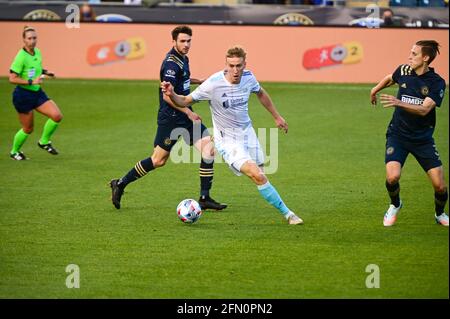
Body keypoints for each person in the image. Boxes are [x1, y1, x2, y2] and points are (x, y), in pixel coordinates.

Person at [161, 46, 303, 225]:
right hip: (227, 140)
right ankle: (289, 214)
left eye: (239, 66)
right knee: (257, 175)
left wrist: (276, 116)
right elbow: (185, 100)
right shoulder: (213, 84)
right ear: (225, 64)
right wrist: (172, 93)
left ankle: (276, 200)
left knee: (262, 173)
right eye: (231, 66)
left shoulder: (249, 77)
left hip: (248, 133)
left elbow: (260, 92)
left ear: (245, 64)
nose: (235, 70)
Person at [110, 26, 227, 211]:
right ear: (173, 42)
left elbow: (184, 80)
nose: (186, 44)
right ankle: (120, 183)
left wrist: (201, 81)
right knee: (158, 161)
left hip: (185, 115)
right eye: (182, 41)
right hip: (172, 118)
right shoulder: (171, 64)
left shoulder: (183, 59)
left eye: (189, 41)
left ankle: (204, 198)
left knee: (208, 149)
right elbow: (167, 96)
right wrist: (189, 112)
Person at [370, 40, 448, 227]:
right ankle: (395, 204)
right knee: (392, 177)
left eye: (414, 54)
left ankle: (439, 214)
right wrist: (375, 90)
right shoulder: (404, 70)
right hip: (398, 135)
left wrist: (398, 103)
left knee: (440, 185)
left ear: (425, 58)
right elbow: (390, 78)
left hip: (423, 139)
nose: (409, 57)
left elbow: (424, 109)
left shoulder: (437, 83)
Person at [8, 26, 62, 160]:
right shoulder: (21, 57)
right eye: (29, 38)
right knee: (28, 129)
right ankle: (14, 152)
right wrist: (32, 82)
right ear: (24, 40)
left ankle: (44, 142)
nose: (32, 41)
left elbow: (35, 67)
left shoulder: (37, 52)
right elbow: (12, 78)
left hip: (37, 93)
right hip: (23, 96)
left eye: (34, 38)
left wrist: (45, 72)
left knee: (57, 116)